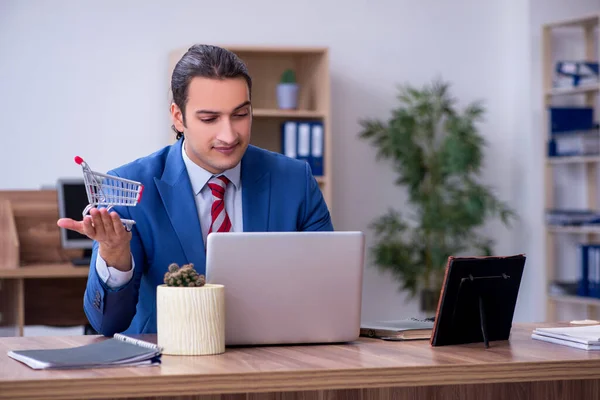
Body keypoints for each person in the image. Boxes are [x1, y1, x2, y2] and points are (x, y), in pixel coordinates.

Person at [57, 44, 333, 336]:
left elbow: (328, 288)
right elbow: (107, 324)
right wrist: (114, 254)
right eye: (209, 119)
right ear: (178, 117)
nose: (229, 135)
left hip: (273, 359)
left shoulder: (295, 181)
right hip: (172, 368)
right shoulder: (129, 187)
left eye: (240, 115)